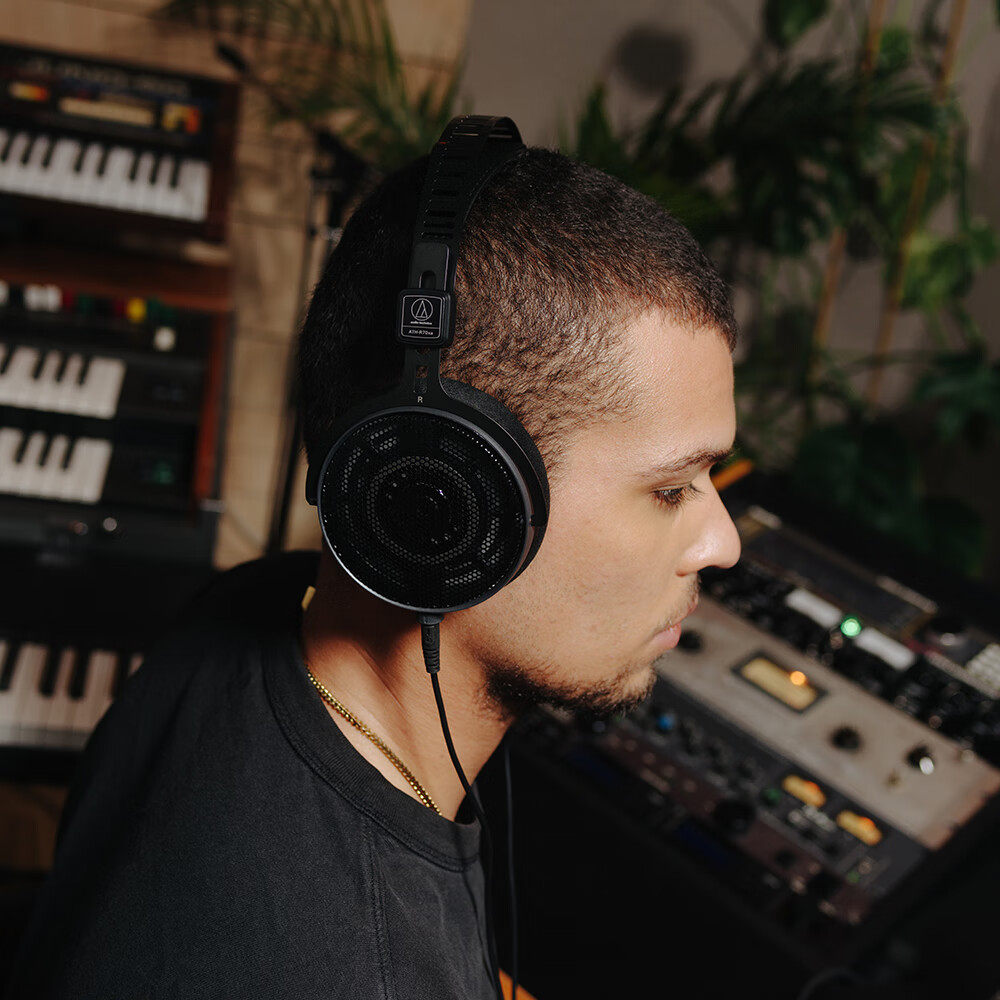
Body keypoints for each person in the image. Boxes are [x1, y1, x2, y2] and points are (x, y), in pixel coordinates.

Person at [5, 145, 741, 999]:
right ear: (446, 495)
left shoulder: (254, 602)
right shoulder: (359, 970)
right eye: (671, 489)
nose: (722, 543)